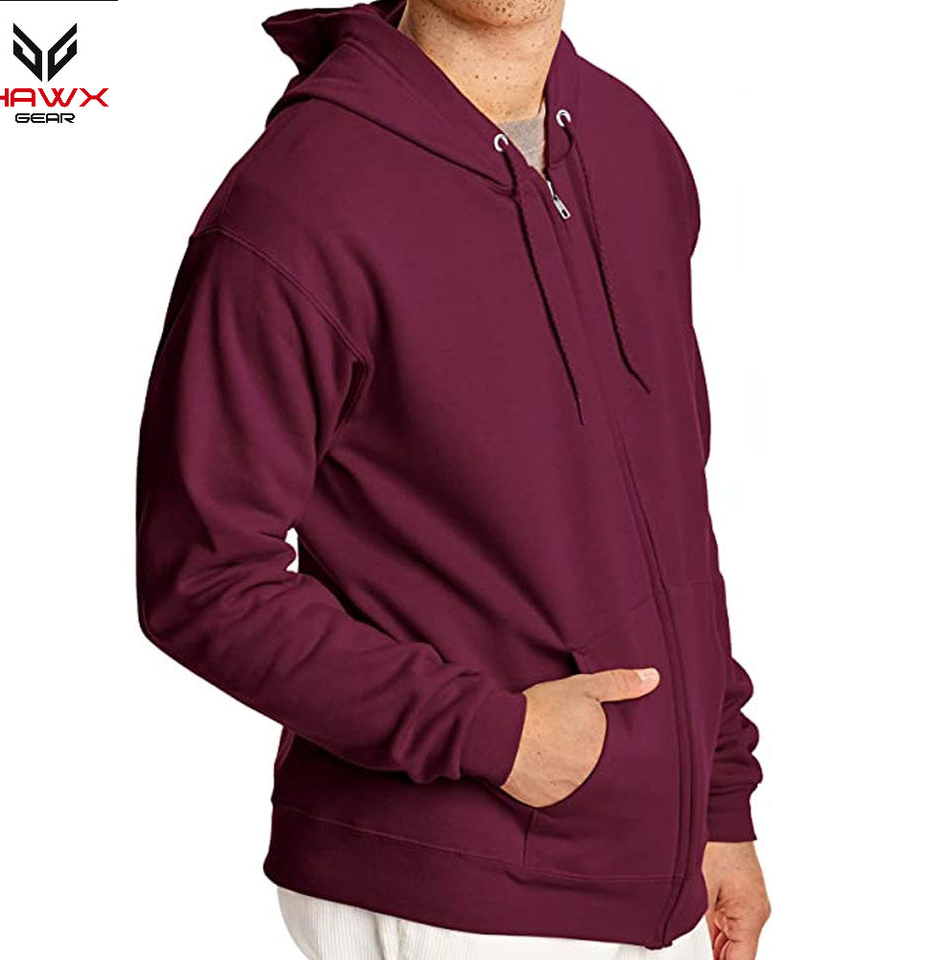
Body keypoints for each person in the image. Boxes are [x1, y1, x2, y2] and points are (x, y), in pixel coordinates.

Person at [135, 1, 770, 957]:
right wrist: (490, 736)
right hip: (448, 880)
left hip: (635, 865)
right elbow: (202, 579)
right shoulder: (302, 197)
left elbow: (672, 503)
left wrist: (719, 803)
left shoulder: (633, 143)